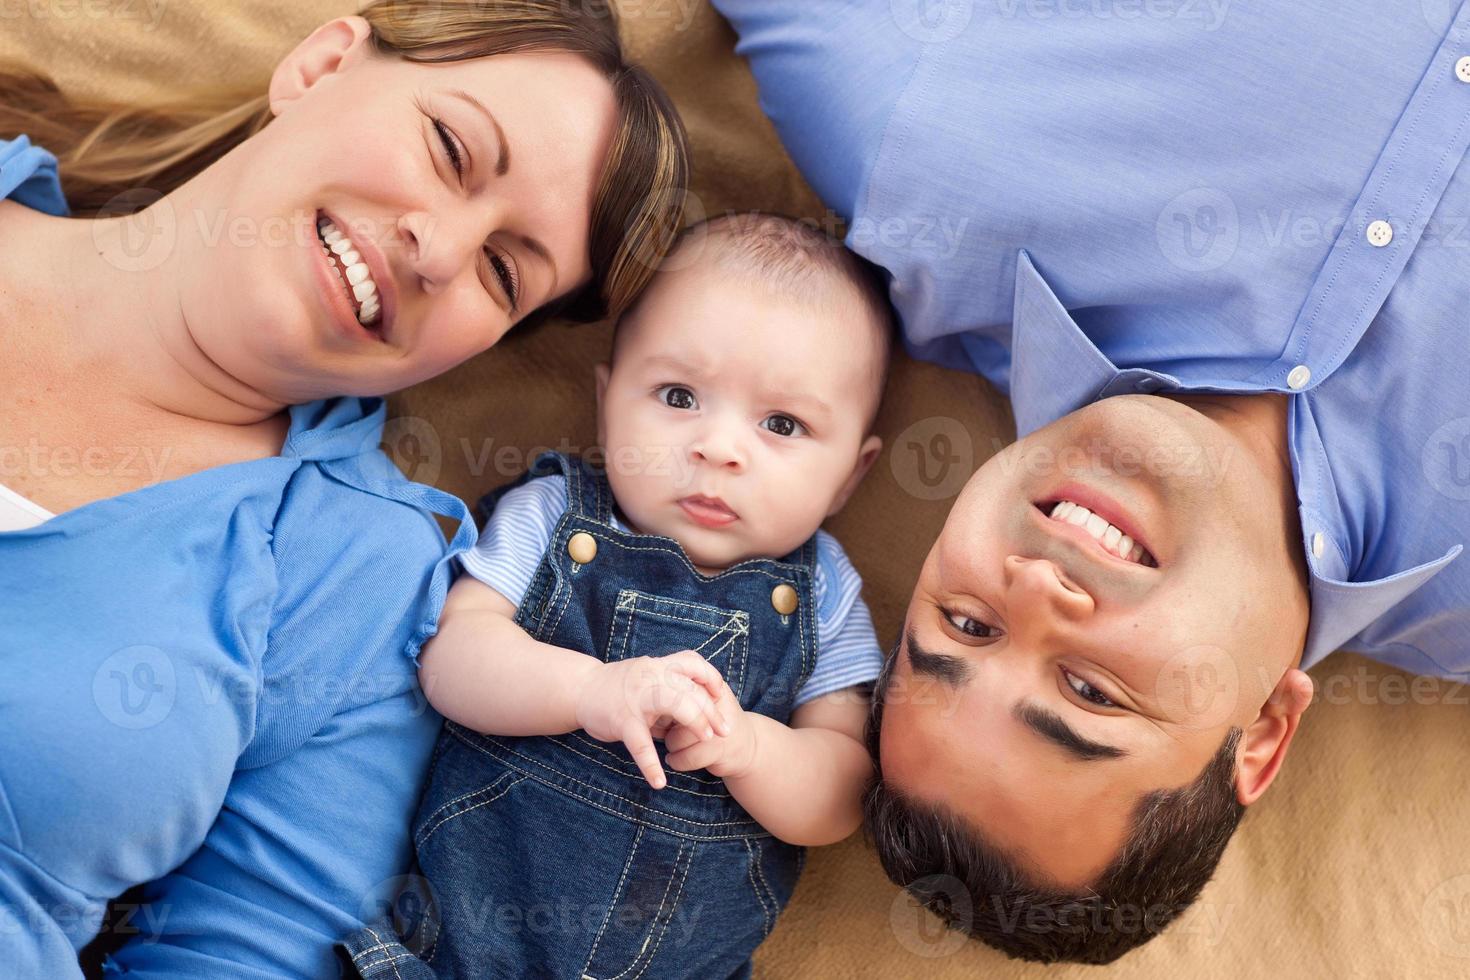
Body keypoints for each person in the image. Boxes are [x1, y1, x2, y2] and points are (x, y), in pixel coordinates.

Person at [712, 0, 1470, 964]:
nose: (1032, 589)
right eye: (1089, 690)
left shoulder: (908, 149)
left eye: (967, 626)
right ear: (1264, 735)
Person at [0, 1, 689, 975]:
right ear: (322, 65)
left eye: (501, 271)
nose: (439, 252)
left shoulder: (363, 587)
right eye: (451, 148)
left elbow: (245, 953)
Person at [341, 213, 892, 979]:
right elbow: (453, 658)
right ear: (607, 403)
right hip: (457, 948)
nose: (718, 449)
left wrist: (754, 750)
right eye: (677, 395)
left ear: (851, 476)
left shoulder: (826, 592)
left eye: (782, 423)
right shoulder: (553, 515)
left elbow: (840, 787)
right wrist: (587, 688)